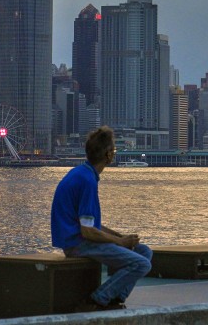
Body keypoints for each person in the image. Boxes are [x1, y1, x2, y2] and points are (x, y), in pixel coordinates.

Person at [51, 126, 152, 312]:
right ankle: (98, 298)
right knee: (142, 263)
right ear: (108, 155)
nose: (113, 154)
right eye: (113, 150)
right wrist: (120, 241)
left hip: (80, 239)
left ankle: (116, 298)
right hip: (78, 244)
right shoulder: (87, 181)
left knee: (144, 251)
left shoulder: (82, 174)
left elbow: (91, 224)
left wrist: (120, 237)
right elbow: (87, 231)